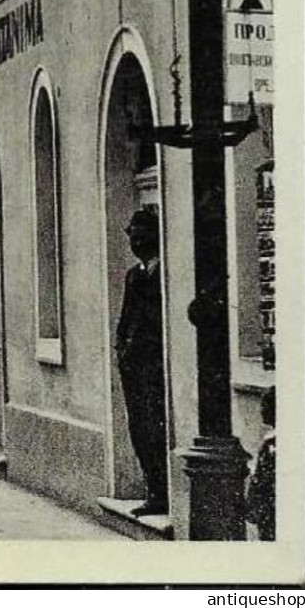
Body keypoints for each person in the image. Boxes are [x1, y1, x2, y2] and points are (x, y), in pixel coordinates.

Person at [115, 207, 169, 515]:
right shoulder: (134, 275)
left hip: (155, 366)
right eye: (132, 236)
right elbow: (125, 318)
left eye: (141, 236)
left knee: (155, 427)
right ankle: (153, 489)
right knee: (139, 429)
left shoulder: (164, 273)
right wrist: (121, 350)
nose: (136, 242)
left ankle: (160, 493)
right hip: (133, 367)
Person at [246, 387, 276, 540]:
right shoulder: (270, 440)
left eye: (265, 406)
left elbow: (262, 478)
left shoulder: (272, 442)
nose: (261, 411)